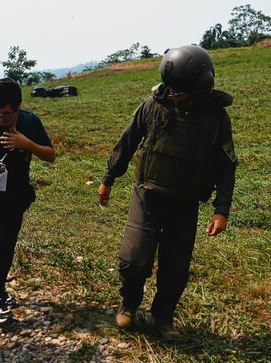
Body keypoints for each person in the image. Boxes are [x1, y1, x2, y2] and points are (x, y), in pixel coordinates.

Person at [97, 45, 238, 338]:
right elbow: (128, 141)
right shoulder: (153, 105)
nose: (173, 95)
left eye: (181, 92)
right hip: (147, 197)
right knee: (134, 260)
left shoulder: (216, 119)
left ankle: (162, 317)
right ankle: (128, 305)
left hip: (185, 205)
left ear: (200, 88)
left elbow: (226, 165)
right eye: (170, 89)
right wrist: (109, 177)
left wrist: (221, 209)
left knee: (175, 269)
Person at [0, 78, 55, 323]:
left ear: (18, 107)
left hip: (17, 196)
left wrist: (26, 143)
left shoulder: (30, 122)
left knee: (7, 245)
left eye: (7, 114)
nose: (1, 118)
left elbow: (50, 156)